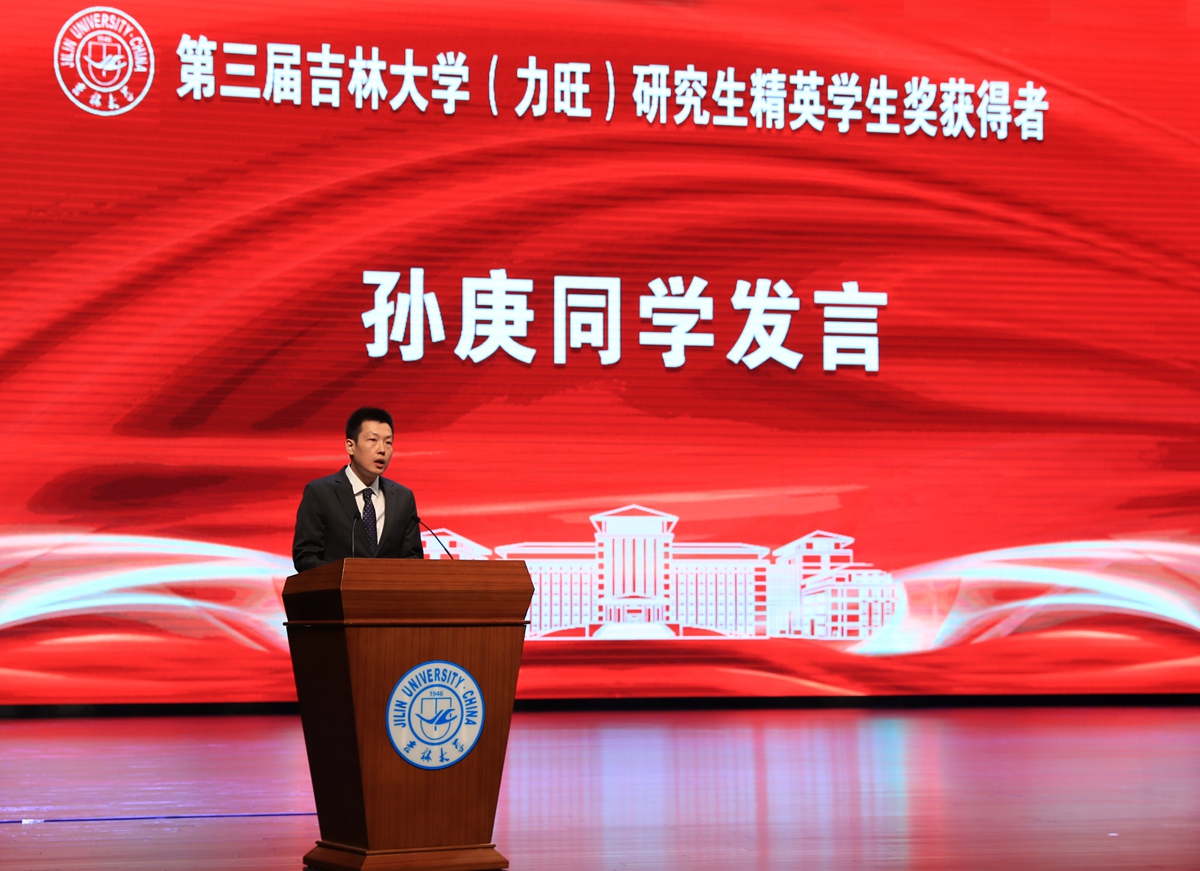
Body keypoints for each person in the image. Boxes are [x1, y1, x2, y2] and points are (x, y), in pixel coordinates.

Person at [292, 407, 423, 572]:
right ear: (350, 446)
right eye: (373, 440)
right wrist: (349, 577)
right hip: (337, 588)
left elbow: (413, 558)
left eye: (388, 442)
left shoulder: (403, 497)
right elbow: (305, 557)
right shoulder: (320, 493)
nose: (382, 449)